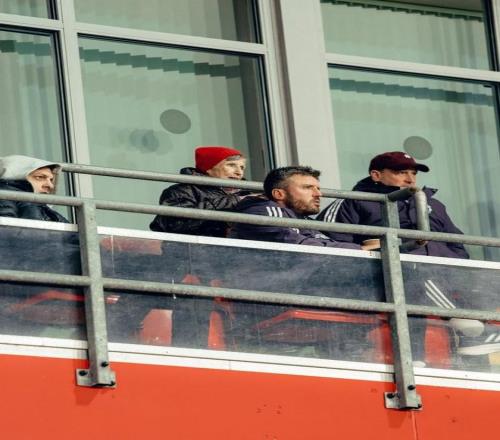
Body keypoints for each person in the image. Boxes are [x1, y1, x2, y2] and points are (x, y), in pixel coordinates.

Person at [317, 151, 498, 357]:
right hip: (388, 275)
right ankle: (468, 328)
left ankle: (472, 333)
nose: (410, 179)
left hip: (444, 272)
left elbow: (455, 241)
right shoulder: (353, 201)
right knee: (414, 274)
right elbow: (327, 240)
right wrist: (368, 252)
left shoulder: (433, 204)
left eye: (413, 173)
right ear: (376, 175)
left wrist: (457, 264)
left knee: (487, 277)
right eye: (401, 172)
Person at [231, 165, 370, 249]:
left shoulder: (303, 219)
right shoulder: (261, 212)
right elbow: (299, 244)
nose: (318, 194)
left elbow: (322, 242)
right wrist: (361, 249)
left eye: (317, 188)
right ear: (279, 194)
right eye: (308, 188)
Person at [150, 145, 248, 237]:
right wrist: (234, 201)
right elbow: (175, 225)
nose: (239, 172)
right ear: (209, 168)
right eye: (231, 165)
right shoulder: (180, 191)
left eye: (242, 167)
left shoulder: (247, 192)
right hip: (194, 248)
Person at [0, 154, 68, 222]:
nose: (51, 185)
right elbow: (5, 226)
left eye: (51, 180)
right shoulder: (5, 197)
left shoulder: (43, 208)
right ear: (17, 176)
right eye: (40, 177)